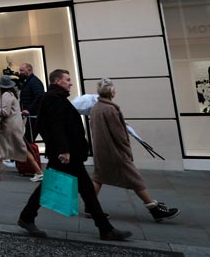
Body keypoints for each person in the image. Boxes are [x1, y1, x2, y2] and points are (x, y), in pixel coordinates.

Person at [17, 69, 131, 241]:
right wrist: (63, 150)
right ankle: (105, 229)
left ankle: (105, 228)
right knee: (80, 189)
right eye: (67, 79)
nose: (70, 83)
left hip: (70, 154)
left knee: (85, 190)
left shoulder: (59, 99)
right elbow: (56, 126)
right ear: (56, 81)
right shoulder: (52, 99)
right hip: (65, 155)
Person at [90, 78, 179, 221]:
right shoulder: (110, 109)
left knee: (99, 178)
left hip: (102, 150)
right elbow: (119, 135)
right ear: (112, 92)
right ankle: (153, 208)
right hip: (115, 152)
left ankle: (91, 207)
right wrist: (127, 151)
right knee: (135, 179)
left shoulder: (96, 108)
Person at [0, 76, 42, 182]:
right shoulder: (11, 95)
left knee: (1, 149)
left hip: (9, 127)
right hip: (14, 126)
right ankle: (38, 172)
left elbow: (5, 112)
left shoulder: (5, 95)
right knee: (21, 149)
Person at [18, 63, 44, 142]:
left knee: (27, 141)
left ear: (29, 70)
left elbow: (39, 96)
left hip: (34, 115)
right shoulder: (29, 82)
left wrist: (28, 109)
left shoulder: (34, 82)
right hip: (32, 116)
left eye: (22, 70)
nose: (20, 73)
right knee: (28, 140)